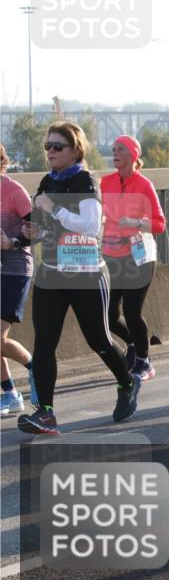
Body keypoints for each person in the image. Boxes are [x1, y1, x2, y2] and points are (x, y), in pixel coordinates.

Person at [17, 121, 142, 435]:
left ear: (76, 149)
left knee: (98, 339)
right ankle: (45, 413)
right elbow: (40, 227)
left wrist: (53, 209)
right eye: (48, 147)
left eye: (58, 146)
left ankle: (127, 382)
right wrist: (28, 233)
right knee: (44, 343)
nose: (51, 152)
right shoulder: (48, 181)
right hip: (52, 273)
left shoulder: (85, 181)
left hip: (85, 273)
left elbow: (88, 226)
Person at [100, 135, 166, 381]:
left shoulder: (143, 185)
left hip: (139, 256)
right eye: (113, 149)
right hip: (112, 256)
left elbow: (160, 224)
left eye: (121, 150)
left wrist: (137, 222)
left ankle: (145, 362)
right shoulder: (105, 182)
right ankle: (135, 343)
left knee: (131, 310)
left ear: (133, 155)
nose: (115, 153)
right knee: (107, 315)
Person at [1, 144, 34, 415]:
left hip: (15, 269)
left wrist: (11, 242)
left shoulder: (14, 191)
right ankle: (10, 393)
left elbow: (37, 230)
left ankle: (36, 369)